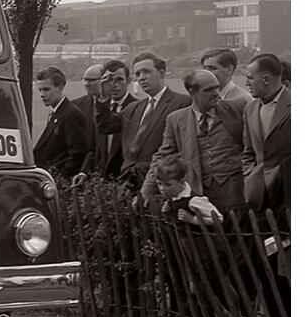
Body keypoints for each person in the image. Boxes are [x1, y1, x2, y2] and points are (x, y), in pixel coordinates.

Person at [140, 69, 245, 215]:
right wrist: (147, 188)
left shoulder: (237, 107)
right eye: (208, 90)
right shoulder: (176, 119)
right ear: (191, 92)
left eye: (217, 87)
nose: (216, 93)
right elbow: (163, 155)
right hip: (201, 192)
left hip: (236, 191)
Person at [98, 51, 191, 188]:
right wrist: (104, 97)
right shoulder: (133, 108)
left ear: (161, 73)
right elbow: (106, 127)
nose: (141, 78)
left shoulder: (182, 103)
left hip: (161, 182)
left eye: (146, 72)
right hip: (127, 181)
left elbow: (185, 148)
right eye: (137, 74)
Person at [241, 52, 290, 215]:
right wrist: (250, 174)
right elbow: (248, 151)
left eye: (250, 78)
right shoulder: (250, 109)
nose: (246, 83)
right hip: (261, 195)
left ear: (266, 79)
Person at [32, 66, 88, 179]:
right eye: (40, 90)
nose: (42, 94)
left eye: (46, 89)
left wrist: (63, 177)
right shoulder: (57, 113)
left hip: (58, 179)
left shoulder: (71, 114)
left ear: (60, 88)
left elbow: (77, 152)